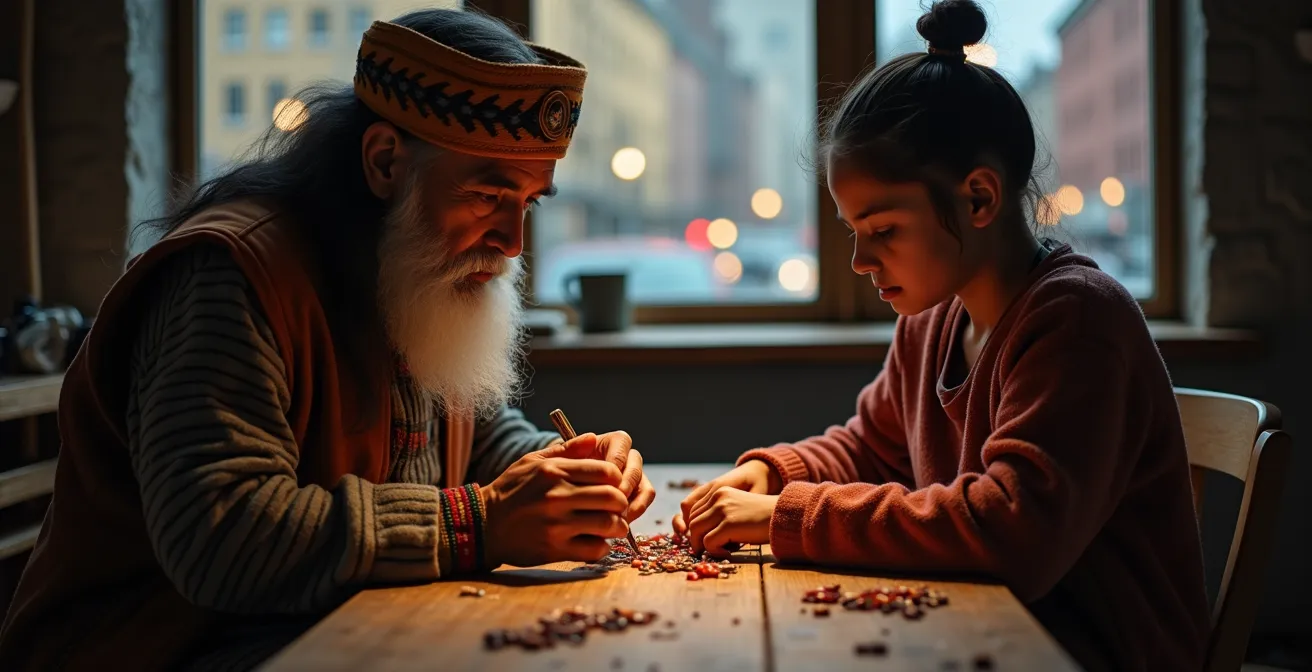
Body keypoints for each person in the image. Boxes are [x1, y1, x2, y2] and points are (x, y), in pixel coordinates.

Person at [0, 9, 654, 671]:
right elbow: (224, 538)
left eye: (530, 203)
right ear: (384, 162)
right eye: (488, 196)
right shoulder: (230, 276)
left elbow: (474, 432)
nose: (513, 243)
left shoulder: (405, 264)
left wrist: (569, 467)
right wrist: (477, 524)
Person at [672, 2, 1210, 669]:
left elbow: (1012, 533)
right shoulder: (932, 319)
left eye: (884, 230)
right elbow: (871, 445)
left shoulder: (1077, 322)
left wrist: (788, 517)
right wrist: (772, 476)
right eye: (853, 232)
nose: (860, 262)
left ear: (979, 200)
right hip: (981, 635)